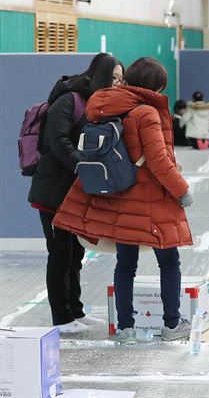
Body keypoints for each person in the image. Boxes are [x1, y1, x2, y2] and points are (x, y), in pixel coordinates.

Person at [53, 57, 194, 344]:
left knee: (125, 264)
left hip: (120, 196)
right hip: (151, 200)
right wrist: (181, 190)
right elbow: (159, 161)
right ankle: (172, 323)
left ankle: (125, 329)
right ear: (156, 85)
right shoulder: (146, 113)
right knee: (169, 260)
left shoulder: (108, 106)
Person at [27, 53, 124, 334]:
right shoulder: (69, 100)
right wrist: (83, 165)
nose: (118, 83)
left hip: (76, 190)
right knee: (59, 253)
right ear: (102, 75)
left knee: (75, 251)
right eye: (114, 78)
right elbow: (56, 141)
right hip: (53, 191)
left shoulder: (99, 104)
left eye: (121, 79)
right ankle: (61, 316)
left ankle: (75, 310)